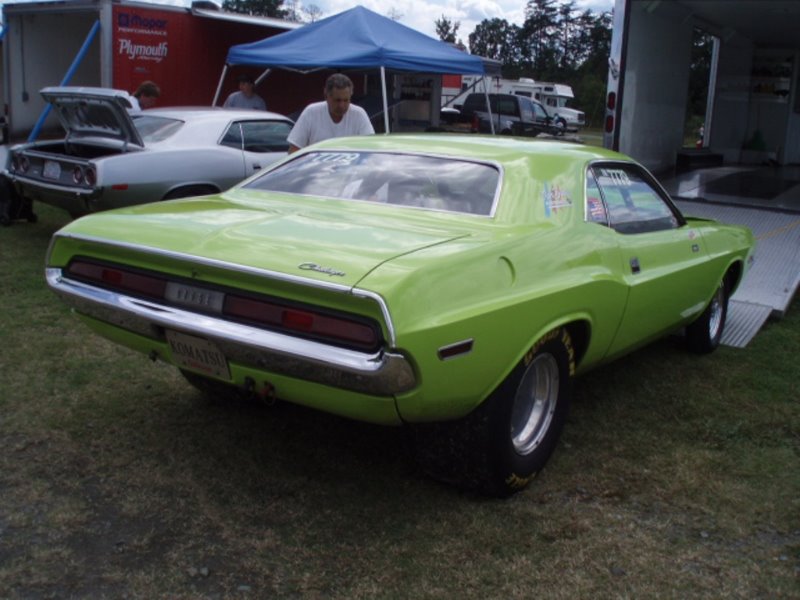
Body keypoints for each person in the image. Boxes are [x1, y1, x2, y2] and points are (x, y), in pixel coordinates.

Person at [288, 73, 374, 153]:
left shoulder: (359, 115)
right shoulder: (311, 112)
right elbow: (294, 150)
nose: (342, 105)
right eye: (337, 100)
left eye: (346, 100)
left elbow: (371, 148)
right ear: (326, 96)